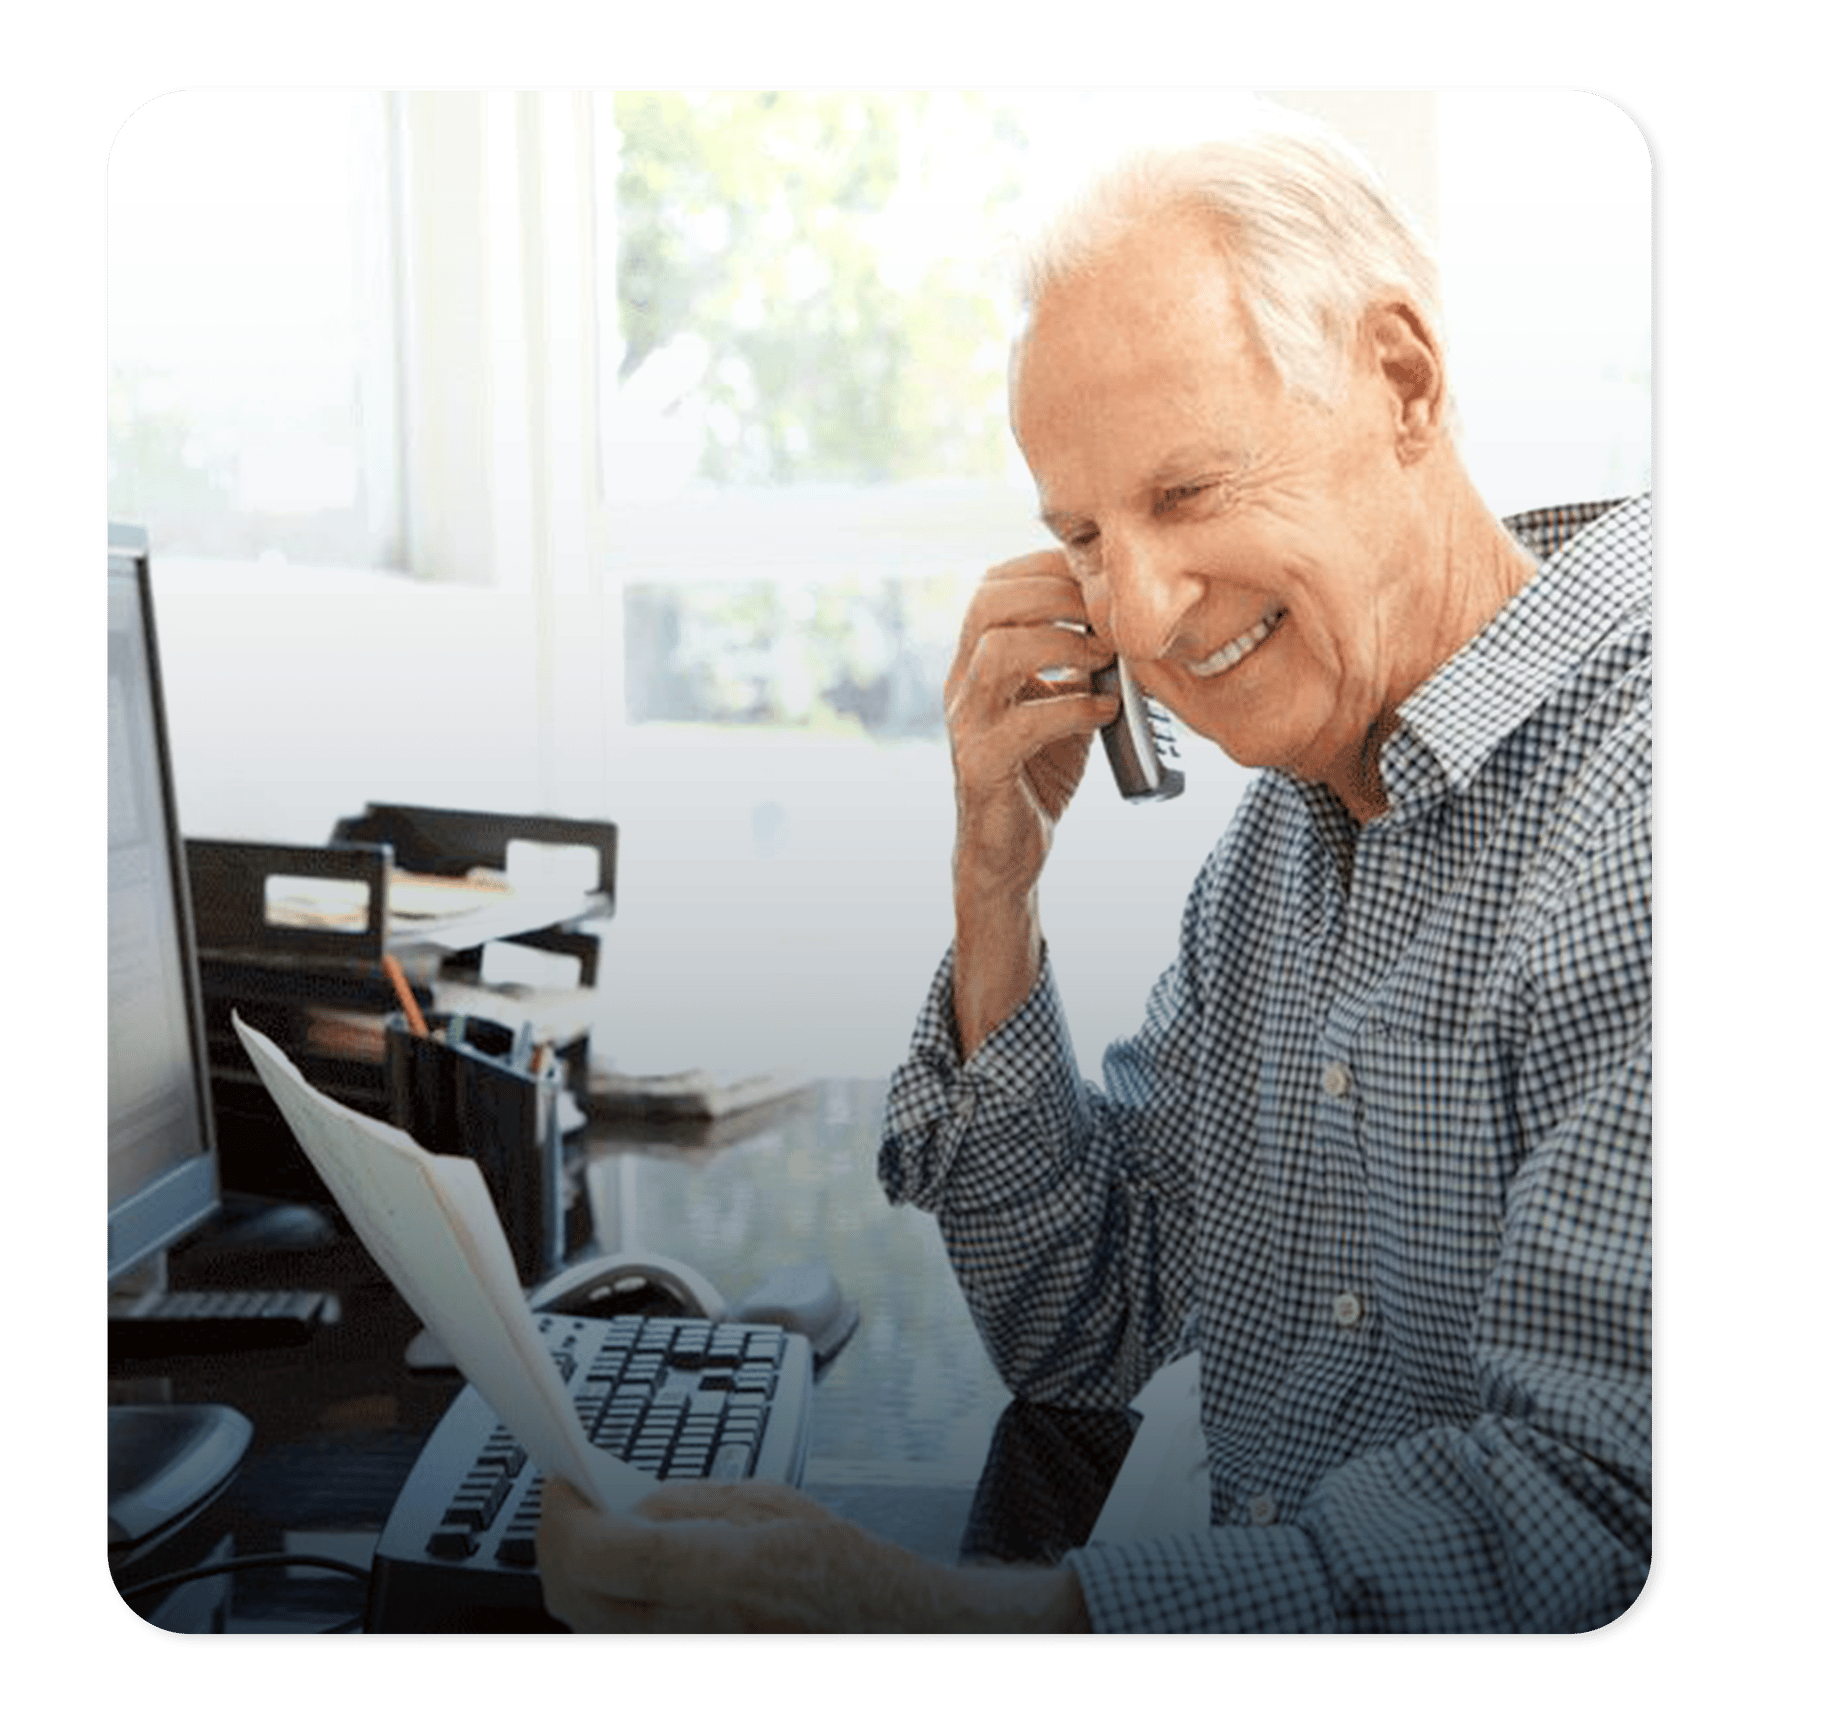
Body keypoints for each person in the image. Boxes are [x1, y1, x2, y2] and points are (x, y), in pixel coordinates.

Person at [535, 108, 1652, 1636]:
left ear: (1401, 381)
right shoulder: (1284, 838)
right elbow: (1087, 1326)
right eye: (1080, 533)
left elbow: (1593, 1530)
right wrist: (995, 887)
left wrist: (935, 1621)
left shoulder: (1645, 811)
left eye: (1185, 495)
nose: (1131, 616)